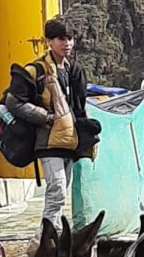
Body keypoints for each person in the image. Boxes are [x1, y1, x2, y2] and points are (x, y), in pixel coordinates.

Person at [7, 15, 97, 229]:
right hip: (47, 141)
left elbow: (79, 107)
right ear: (48, 41)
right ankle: (47, 240)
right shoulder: (35, 71)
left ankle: (48, 239)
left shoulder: (75, 71)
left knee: (60, 191)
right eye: (60, 39)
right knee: (56, 189)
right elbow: (14, 102)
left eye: (69, 38)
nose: (66, 44)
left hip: (69, 142)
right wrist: (45, 117)